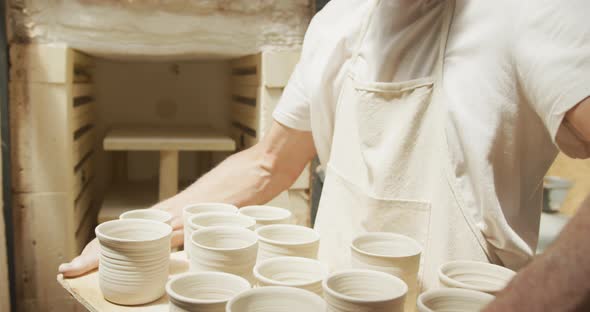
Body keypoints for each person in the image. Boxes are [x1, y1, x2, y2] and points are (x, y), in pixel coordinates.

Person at [61, 0, 590, 309]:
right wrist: (144, 229)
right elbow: (268, 163)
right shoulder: (341, 19)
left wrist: (540, 291)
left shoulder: (535, 13)